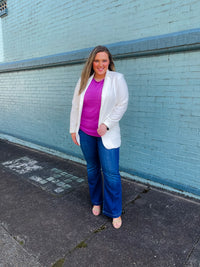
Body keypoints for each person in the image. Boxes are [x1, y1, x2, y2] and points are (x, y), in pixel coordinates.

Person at [70, 45, 128, 229]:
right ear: (92, 62)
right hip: (85, 133)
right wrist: (73, 129)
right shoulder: (83, 80)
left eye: (104, 60)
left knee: (111, 174)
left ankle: (114, 211)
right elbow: (75, 106)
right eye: (96, 60)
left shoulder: (117, 79)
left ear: (109, 61)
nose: (100, 64)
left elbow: (122, 104)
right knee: (93, 169)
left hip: (107, 135)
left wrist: (107, 124)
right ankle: (96, 201)